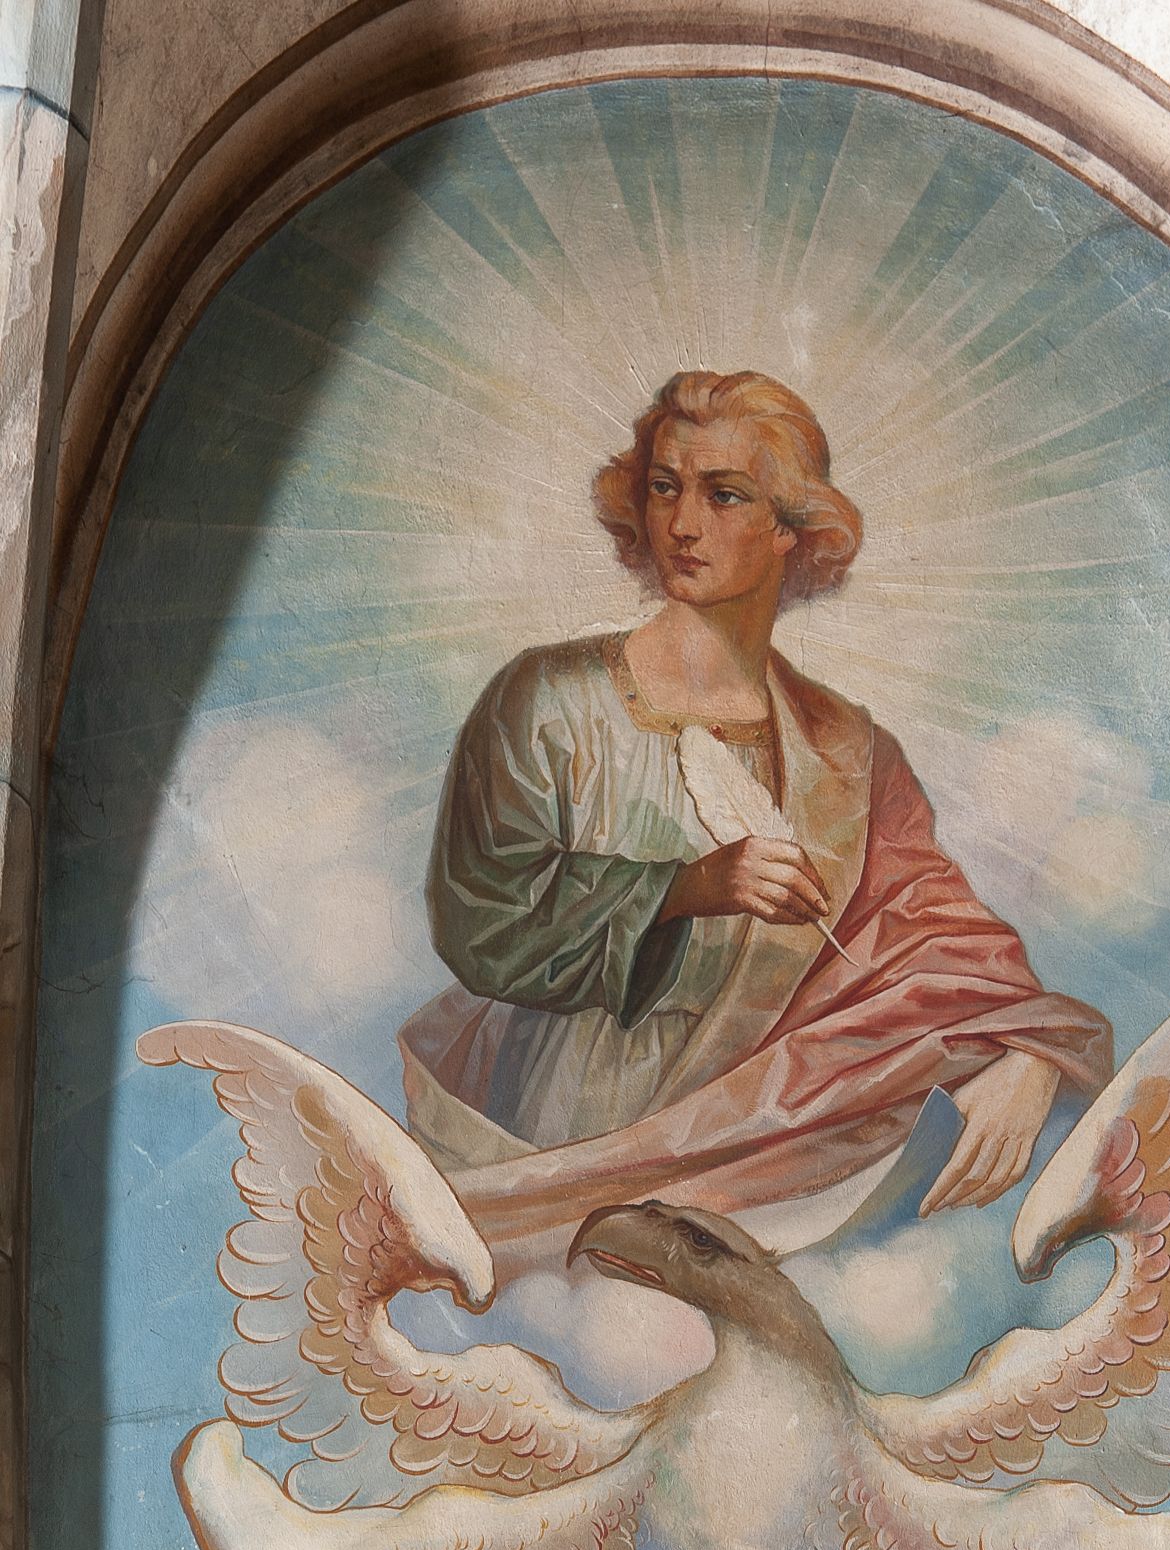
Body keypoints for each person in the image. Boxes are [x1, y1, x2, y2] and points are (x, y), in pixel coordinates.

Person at [399, 371, 1111, 1264]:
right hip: (567, 1137)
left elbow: (939, 946)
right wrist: (685, 889)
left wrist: (1027, 1055)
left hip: (762, 1160)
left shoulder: (847, 750)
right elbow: (481, 924)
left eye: (723, 494)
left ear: (788, 529)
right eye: (665, 487)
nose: (682, 523)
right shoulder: (547, 701)